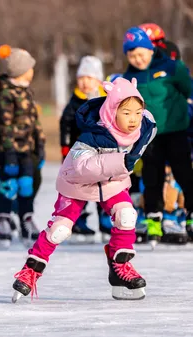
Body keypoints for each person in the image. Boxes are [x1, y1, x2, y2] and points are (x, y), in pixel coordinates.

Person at [11, 77, 156, 302]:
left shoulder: (143, 129)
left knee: (127, 215)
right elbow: (82, 168)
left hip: (112, 181)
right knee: (60, 229)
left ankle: (120, 266)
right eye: (126, 112)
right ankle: (31, 270)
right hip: (77, 183)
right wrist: (121, 162)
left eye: (137, 112)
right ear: (111, 110)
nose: (134, 119)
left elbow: (149, 121)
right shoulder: (91, 136)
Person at [123, 26, 193, 244]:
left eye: (141, 54)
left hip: (176, 132)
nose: (138, 59)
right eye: (132, 55)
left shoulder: (172, 67)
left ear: (151, 50)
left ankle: (191, 215)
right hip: (149, 136)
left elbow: (189, 90)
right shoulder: (129, 77)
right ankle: (153, 220)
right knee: (151, 177)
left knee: (184, 175)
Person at [0, 45, 45, 249]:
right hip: (8, 150)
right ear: (20, 71)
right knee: (8, 184)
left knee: (26, 185)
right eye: (30, 68)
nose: (32, 72)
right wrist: (9, 152)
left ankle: (26, 219)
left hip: (27, 150)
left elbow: (34, 122)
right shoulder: (6, 94)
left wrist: (40, 143)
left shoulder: (26, 92)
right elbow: (4, 125)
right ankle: (3, 220)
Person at [60, 56, 108, 242]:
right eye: (82, 78)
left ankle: (105, 219)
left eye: (90, 78)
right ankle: (77, 220)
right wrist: (65, 148)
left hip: (99, 153)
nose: (85, 82)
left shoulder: (103, 100)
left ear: (98, 80)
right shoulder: (74, 103)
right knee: (78, 188)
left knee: (102, 187)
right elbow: (65, 125)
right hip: (77, 153)